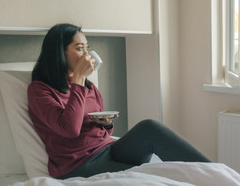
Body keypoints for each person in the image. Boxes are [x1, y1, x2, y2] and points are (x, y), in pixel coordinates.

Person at [27, 23, 211, 179]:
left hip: (107, 149)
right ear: (60, 51)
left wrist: (106, 125)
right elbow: (70, 129)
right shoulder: (40, 90)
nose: (86, 54)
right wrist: (78, 81)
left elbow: (100, 130)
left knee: (149, 127)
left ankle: (215, 172)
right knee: (150, 177)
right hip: (78, 165)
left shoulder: (89, 87)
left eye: (87, 47)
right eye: (79, 48)